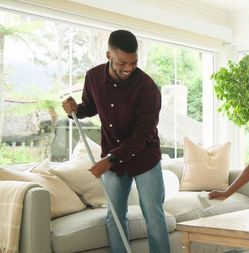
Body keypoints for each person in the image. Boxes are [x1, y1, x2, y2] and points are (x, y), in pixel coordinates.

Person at [62, 30, 170, 253]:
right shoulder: (93, 77)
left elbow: (143, 135)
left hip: (144, 158)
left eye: (134, 62)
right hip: (113, 157)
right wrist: (74, 110)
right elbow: (90, 107)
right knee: (115, 215)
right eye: (122, 62)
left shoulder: (147, 88)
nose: (129, 68)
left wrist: (111, 159)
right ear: (108, 55)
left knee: (153, 215)